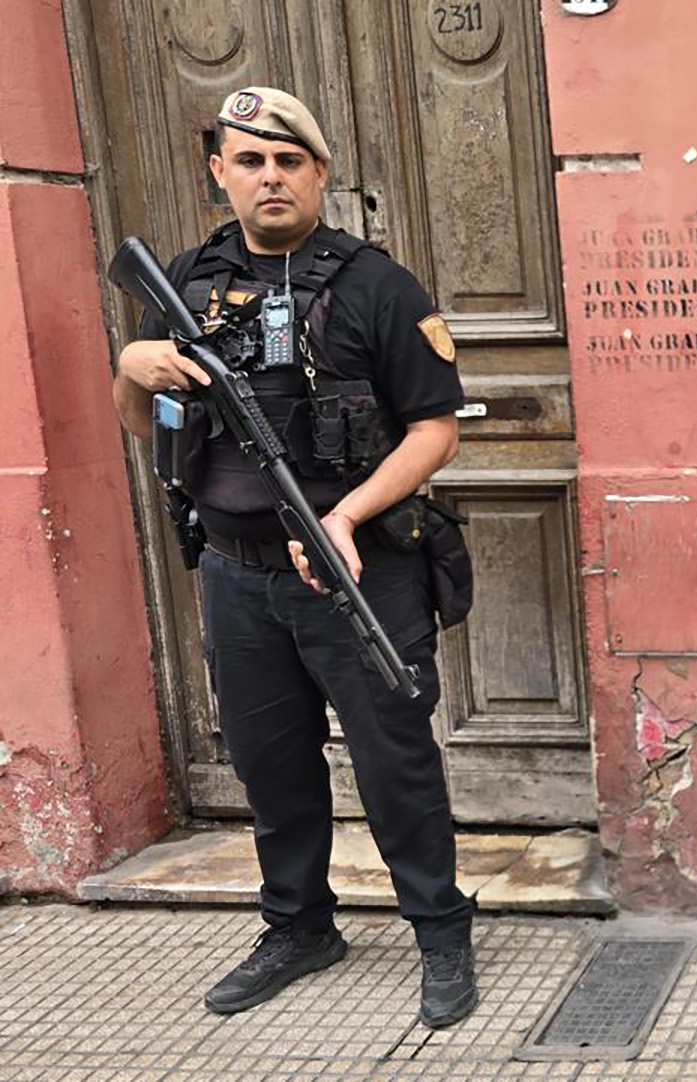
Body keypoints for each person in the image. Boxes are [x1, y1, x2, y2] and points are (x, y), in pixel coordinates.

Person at [108, 87, 478, 1026]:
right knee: (271, 764)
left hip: (357, 565)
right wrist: (130, 369)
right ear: (219, 172)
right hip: (236, 571)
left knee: (395, 762)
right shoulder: (184, 282)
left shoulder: (375, 287)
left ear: (319, 174)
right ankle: (300, 924)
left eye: (289, 161)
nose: (269, 177)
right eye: (249, 160)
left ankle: (440, 928)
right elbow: (148, 430)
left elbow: (437, 431)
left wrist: (346, 517)